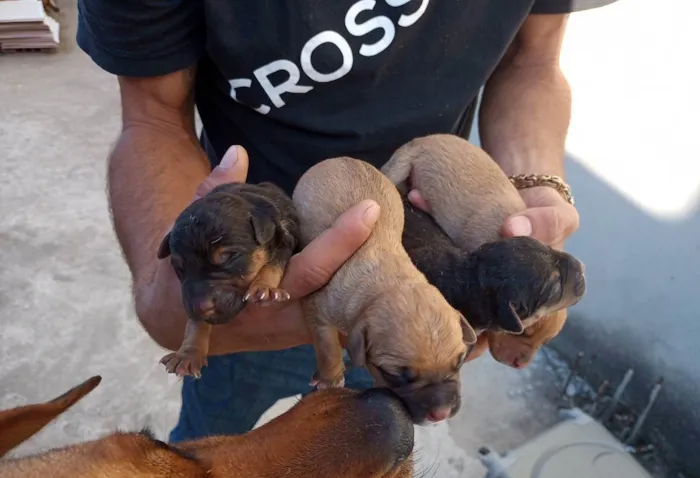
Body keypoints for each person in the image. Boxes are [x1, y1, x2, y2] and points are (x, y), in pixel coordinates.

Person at [77, 0, 618, 442]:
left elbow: (533, 60)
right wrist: (165, 287)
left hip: (428, 287)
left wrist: (533, 187)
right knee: (209, 449)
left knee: (365, 461)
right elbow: (152, 112)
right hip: (261, 293)